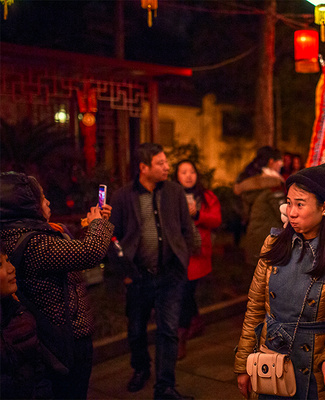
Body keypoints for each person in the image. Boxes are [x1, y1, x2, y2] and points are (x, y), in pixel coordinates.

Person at [0, 171, 114, 399]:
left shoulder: (29, 234)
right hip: (62, 341)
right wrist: (98, 225)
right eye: (41, 198)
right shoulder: (34, 241)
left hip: (56, 337)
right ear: (27, 206)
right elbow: (89, 253)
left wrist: (92, 226)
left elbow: (65, 257)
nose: (48, 202)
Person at [235, 163, 325, 400]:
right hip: (270, 359)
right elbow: (254, 308)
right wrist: (243, 363)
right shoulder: (274, 244)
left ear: (324, 207)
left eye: (300, 204)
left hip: (313, 367)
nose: (291, 212)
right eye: (289, 202)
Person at [109, 143, 200, 400]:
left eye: (166, 162)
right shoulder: (123, 196)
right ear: (143, 167)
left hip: (170, 274)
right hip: (138, 274)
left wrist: (184, 256)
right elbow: (112, 235)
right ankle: (140, 369)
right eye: (160, 163)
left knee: (168, 329)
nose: (167, 167)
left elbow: (186, 227)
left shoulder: (174, 192)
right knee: (136, 328)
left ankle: (165, 386)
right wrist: (124, 269)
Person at [172, 159, 222, 360]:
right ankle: (197, 321)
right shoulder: (171, 195)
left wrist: (198, 214)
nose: (188, 175)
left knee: (184, 291)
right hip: (176, 252)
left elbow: (216, 220)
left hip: (197, 253)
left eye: (191, 171)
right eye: (183, 172)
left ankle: (180, 337)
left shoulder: (207, 196)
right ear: (177, 176)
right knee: (185, 291)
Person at [0, 240, 53, 399]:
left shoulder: (20, 313)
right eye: (0, 264)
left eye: (8, 260)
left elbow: (38, 374)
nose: (11, 269)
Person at [234, 146, 286, 267]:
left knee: (256, 281)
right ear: (271, 162)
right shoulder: (273, 184)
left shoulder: (250, 183)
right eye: (280, 161)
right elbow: (282, 213)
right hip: (269, 240)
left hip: (254, 237)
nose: (282, 165)